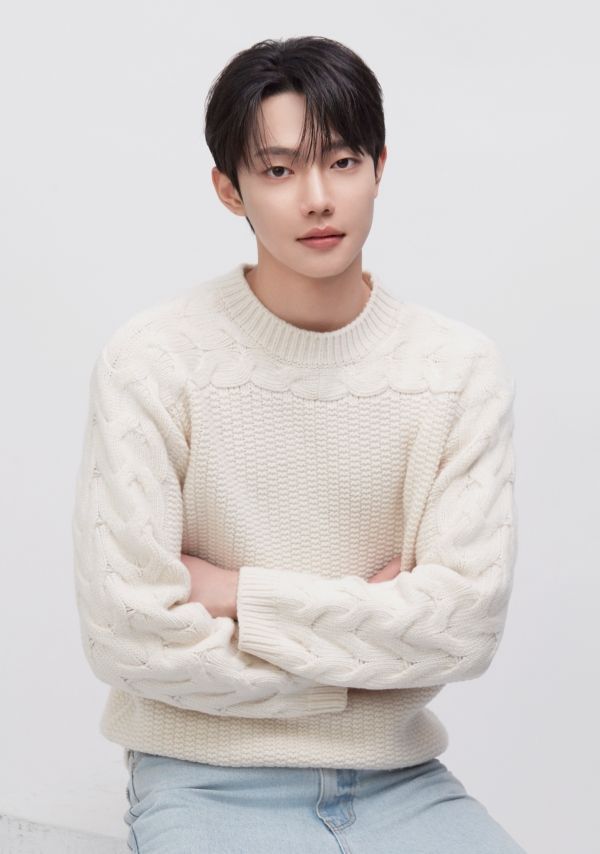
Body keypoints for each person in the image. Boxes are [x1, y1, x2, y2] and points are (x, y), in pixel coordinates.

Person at [71, 35, 526, 853]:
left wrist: (234, 594)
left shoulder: (458, 371)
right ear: (229, 189)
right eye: (279, 171)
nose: (318, 199)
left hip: (402, 781)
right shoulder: (153, 361)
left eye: (342, 162)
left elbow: (461, 628)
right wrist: (367, 648)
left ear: (379, 167)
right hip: (202, 777)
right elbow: (129, 635)